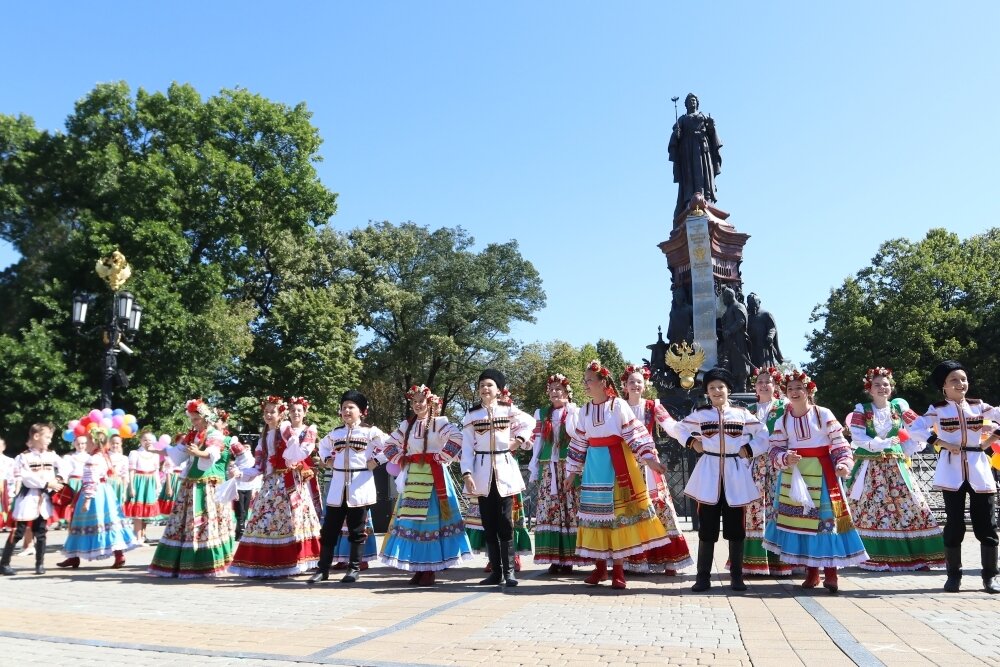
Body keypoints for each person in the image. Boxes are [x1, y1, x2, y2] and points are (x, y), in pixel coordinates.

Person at [563, 360, 670, 590]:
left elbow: (634, 433)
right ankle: (600, 568)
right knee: (595, 516)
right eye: (585, 381)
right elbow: (579, 441)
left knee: (618, 516)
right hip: (594, 466)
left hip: (617, 464)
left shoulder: (618, 405)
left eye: (589, 380)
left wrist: (650, 458)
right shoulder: (585, 410)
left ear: (603, 382)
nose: (585, 384)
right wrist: (572, 472)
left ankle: (618, 570)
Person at [763, 370, 868, 593]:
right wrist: (786, 458)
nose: (794, 392)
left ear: (809, 390)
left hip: (822, 474)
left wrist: (843, 464)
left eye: (799, 388)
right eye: (790, 389)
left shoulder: (822, 414)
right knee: (802, 522)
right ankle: (812, 572)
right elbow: (774, 448)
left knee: (825, 522)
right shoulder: (783, 418)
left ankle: (831, 573)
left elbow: (839, 443)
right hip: (796, 475)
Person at [664, 368, 768, 592]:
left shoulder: (741, 414)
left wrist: (749, 449)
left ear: (728, 389)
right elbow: (678, 428)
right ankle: (703, 578)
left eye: (720, 386)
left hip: (735, 474)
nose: (717, 391)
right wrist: (692, 443)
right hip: (708, 474)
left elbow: (764, 434)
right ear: (707, 392)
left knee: (736, 529)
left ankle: (737, 577)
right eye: (712, 388)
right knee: (707, 528)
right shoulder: (702, 415)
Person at [908, 360, 1000, 593]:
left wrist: (990, 440)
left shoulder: (979, 406)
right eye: (954, 380)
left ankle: (990, 577)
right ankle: (953, 576)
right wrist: (940, 442)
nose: (961, 383)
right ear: (944, 387)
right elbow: (915, 428)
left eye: (963, 379)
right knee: (954, 524)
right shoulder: (938, 409)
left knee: (987, 525)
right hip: (951, 472)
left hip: (979, 469)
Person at [846, 367, 945, 572]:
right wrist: (882, 444)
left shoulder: (898, 407)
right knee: (873, 508)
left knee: (910, 504)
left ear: (891, 388)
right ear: (869, 389)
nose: (882, 388)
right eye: (877, 385)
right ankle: (873, 554)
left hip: (897, 467)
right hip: (871, 467)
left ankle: (917, 553)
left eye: (886, 384)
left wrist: (912, 445)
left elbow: (918, 428)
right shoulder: (862, 409)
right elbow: (858, 437)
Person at [148, 400, 251, 578]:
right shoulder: (193, 435)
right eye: (192, 419)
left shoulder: (217, 436)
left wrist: (236, 471)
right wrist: (156, 450)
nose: (193, 423)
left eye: (196, 419)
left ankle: (206, 563)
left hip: (209, 486)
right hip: (192, 484)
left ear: (205, 418)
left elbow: (213, 453)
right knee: (186, 524)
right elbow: (178, 452)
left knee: (207, 523)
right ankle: (183, 562)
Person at [380, 386, 472, 585]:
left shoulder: (440, 423)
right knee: (412, 521)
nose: (417, 404)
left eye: (421, 401)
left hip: (434, 475)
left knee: (432, 521)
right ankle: (418, 567)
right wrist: (402, 459)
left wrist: (441, 457)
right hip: (413, 477)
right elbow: (388, 445)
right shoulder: (406, 425)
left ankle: (431, 567)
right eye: (414, 401)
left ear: (430, 403)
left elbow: (457, 438)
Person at [229, 396, 322, 578]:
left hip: (289, 481)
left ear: (281, 414)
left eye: (273, 411)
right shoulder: (264, 437)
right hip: (271, 484)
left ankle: (293, 560)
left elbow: (297, 452)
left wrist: (293, 449)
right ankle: (264, 562)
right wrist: (240, 473)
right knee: (262, 521)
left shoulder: (285, 429)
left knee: (291, 521)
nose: (269, 415)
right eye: (266, 412)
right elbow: (259, 466)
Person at [461, 370, 536, 587]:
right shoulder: (472, 415)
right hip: (481, 472)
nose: (485, 389)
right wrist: (466, 473)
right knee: (489, 524)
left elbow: (530, 422)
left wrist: (518, 440)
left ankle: (510, 572)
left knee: (505, 522)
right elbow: (467, 447)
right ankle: (495, 572)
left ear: (498, 389)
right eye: (482, 385)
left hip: (504, 470)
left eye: (490, 385)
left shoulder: (508, 409)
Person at [308, 390, 388, 584]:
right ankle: (323, 569)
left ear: (362, 411)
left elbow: (391, 445)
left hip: (359, 484)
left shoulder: (370, 432)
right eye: (344, 407)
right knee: (329, 530)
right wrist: (327, 459)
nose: (346, 411)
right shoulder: (336, 433)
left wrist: (376, 460)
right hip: (337, 487)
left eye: (351, 407)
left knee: (357, 530)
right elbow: (323, 447)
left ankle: (353, 569)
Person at [619, 364, 692, 575]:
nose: (635, 385)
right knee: (629, 507)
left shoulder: (652, 406)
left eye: (639, 381)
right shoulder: (618, 407)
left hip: (649, 461)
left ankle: (669, 558)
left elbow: (671, 426)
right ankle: (632, 560)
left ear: (645, 385)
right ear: (624, 385)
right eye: (631, 381)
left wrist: (689, 435)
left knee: (660, 505)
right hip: (625, 462)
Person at [740, 367, 797, 577]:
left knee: (779, 507)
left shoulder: (785, 407)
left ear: (775, 386)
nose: (764, 385)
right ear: (754, 386)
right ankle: (756, 560)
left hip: (778, 463)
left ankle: (783, 560)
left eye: (768, 381)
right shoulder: (748, 410)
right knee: (755, 509)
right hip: (755, 465)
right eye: (760, 382)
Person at [528, 374, 587, 573]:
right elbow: (538, 441)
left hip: (568, 466)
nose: (555, 392)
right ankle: (554, 558)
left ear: (567, 393)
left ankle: (570, 558)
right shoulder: (541, 413)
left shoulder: (575, 412)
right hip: (549, 468)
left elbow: (575, 434)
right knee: (550, 509)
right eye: (552, 389)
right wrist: (534, 465)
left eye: (559, 389)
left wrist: (571, 412)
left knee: (570, 509)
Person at [57, 429, 139, 569]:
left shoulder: (93, 459)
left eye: (88, 441)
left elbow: (90, 480)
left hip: (94, 493)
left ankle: (74, 557)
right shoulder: (104, 457)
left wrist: (87, 500)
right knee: (109, 521)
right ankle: (118, 555)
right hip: (105, 491)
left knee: (81, 522)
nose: (86, 444)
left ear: (94, 442)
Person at [1, 424, 64, 576]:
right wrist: (47, 483)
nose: (49, 440)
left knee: (41, 532)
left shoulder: (51, 455)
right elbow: (26, 476)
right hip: (28, 498)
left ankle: (39, 564)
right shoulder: (23, 457)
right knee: (18, 532)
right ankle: (4, 563)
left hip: (44, 498)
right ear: (36, 436)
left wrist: (59, 478)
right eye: (47, 437)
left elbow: (64, 466)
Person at [668, 92, 723, 217]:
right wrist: (676, 134)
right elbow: (676, 136)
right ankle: (689, 198)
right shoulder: (682, 119)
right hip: (687, 150)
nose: (692, 102)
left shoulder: (703, 116)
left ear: (697, 103)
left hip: (702, 148)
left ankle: (706, 196)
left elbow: (711, 132)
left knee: (703, 172)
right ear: (686, 105)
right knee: (689, 174)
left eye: (694, 100)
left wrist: (711, 126)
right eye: (689, 101)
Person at [124, 430, 162, 543]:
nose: (147, 442)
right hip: (138, 481)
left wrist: (158, 485)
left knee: (146, 510)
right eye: (145, 439)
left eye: (150, 440)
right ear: (140, 440)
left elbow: (156, 471)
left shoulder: (155, 454)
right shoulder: (135, 453)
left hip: (149, 482)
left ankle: (143, 535)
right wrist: (131, 486)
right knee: (138, 510)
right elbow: (131, 471)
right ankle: (137, 536)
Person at [719, 287, 751, 392]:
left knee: (740, 362)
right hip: (729, 341)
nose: (723, 300)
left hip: (738, 339)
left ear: (729, 296)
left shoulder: (738, 306)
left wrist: (730, 331)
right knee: (730, 362)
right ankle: (734, 386)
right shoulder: (729, 309)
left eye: (724, 298)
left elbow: (741, 321)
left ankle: (742, 386)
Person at [746, 293, 784, 369]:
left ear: (759, 302)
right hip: (752, 347)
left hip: (763, 346)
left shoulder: (765, 314)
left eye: (754, 304)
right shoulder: (748, 317)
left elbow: (772, 328)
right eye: (750, 304)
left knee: (765, 366)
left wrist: (770, 336)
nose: (753, 307)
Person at [107, 435, 130, 508]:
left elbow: (125, 475)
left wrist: (124, 491)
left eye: (117, 443)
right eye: (112, 443)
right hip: (106, 484)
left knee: (117, 507)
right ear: (109, 443)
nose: (114, 445)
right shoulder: (104, 456)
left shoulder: (124, 458)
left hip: (118, 484)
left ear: (121, 444)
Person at [0, 438, 12, 530]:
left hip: (4, 485)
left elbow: (12, 477)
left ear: (3, 447)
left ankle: (6, 523)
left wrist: (12, 491)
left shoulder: (9, 461)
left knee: (6, 505)